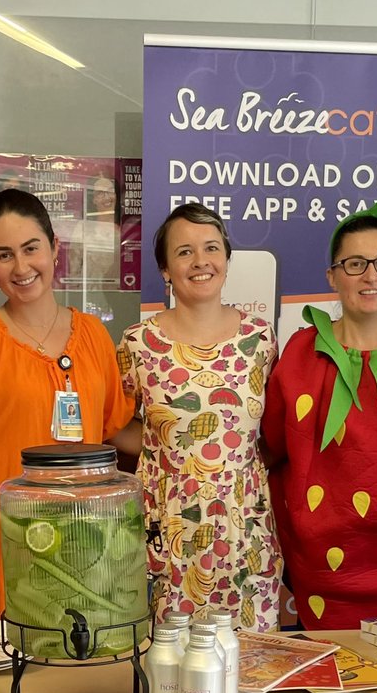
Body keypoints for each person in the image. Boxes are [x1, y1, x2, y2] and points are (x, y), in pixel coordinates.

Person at [0, 188, 136, 620]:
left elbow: (112, 428)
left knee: (65, 675)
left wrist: (193, 443)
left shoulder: (93, 337)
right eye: (4, 254)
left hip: (78, 538)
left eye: (31, 248)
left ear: (54, 248)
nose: (21, 266)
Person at [262, 193, 377, 630]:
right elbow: (274, 445)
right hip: (322, 558)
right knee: (334, 676)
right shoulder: (302, 350)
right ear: (332, 275)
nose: (370, 275)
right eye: (355, 263)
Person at [117, 202, 281, 630]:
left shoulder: (260, 339)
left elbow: (271, 432)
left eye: (211, 247)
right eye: (185, 252)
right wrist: (168, 457)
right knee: (165, 666)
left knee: (248, 662)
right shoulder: (137, 344)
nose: (200, 261)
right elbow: (117, 425)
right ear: (166, 269)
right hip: (165, 524)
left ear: (226, 260)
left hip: (243, 525)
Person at [67, 173, 122, 286]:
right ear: (93, 199)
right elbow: (74, 271)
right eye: (100, 193)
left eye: (110, 191)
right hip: (90, 293)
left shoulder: (125, 227)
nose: (107, 197)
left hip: (121, 294)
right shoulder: (83, 228)